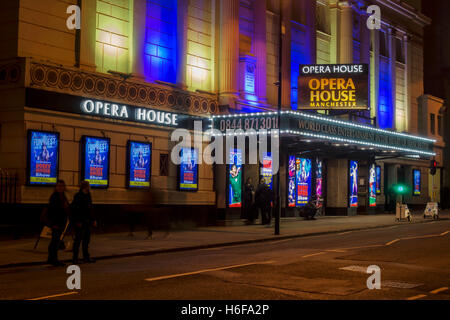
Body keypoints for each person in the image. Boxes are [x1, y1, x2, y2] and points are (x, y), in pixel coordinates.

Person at [70, 181, 97, 264]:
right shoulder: (78, 196)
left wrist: (93, 220)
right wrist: (77, 221)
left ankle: (86, 257)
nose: (89, 188)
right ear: (85, 187)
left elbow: (90, 209)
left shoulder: (88, 196)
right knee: (77, 240)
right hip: (80, 222)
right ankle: (75, 258)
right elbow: (75, 210)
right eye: (88, 186)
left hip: (87, 222)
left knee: (86, 240)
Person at [47, 180, 70, 266]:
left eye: (62, 186)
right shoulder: (54, 197)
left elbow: (66, 208)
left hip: (61, 222)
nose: (60, 188)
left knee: (56, 241)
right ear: (56, 187)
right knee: (55, 241)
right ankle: (53, 259)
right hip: (56, 222)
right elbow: (52, 211)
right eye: (58, 186)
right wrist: (54, 224)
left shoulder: (63, 196)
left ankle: (51, 258)